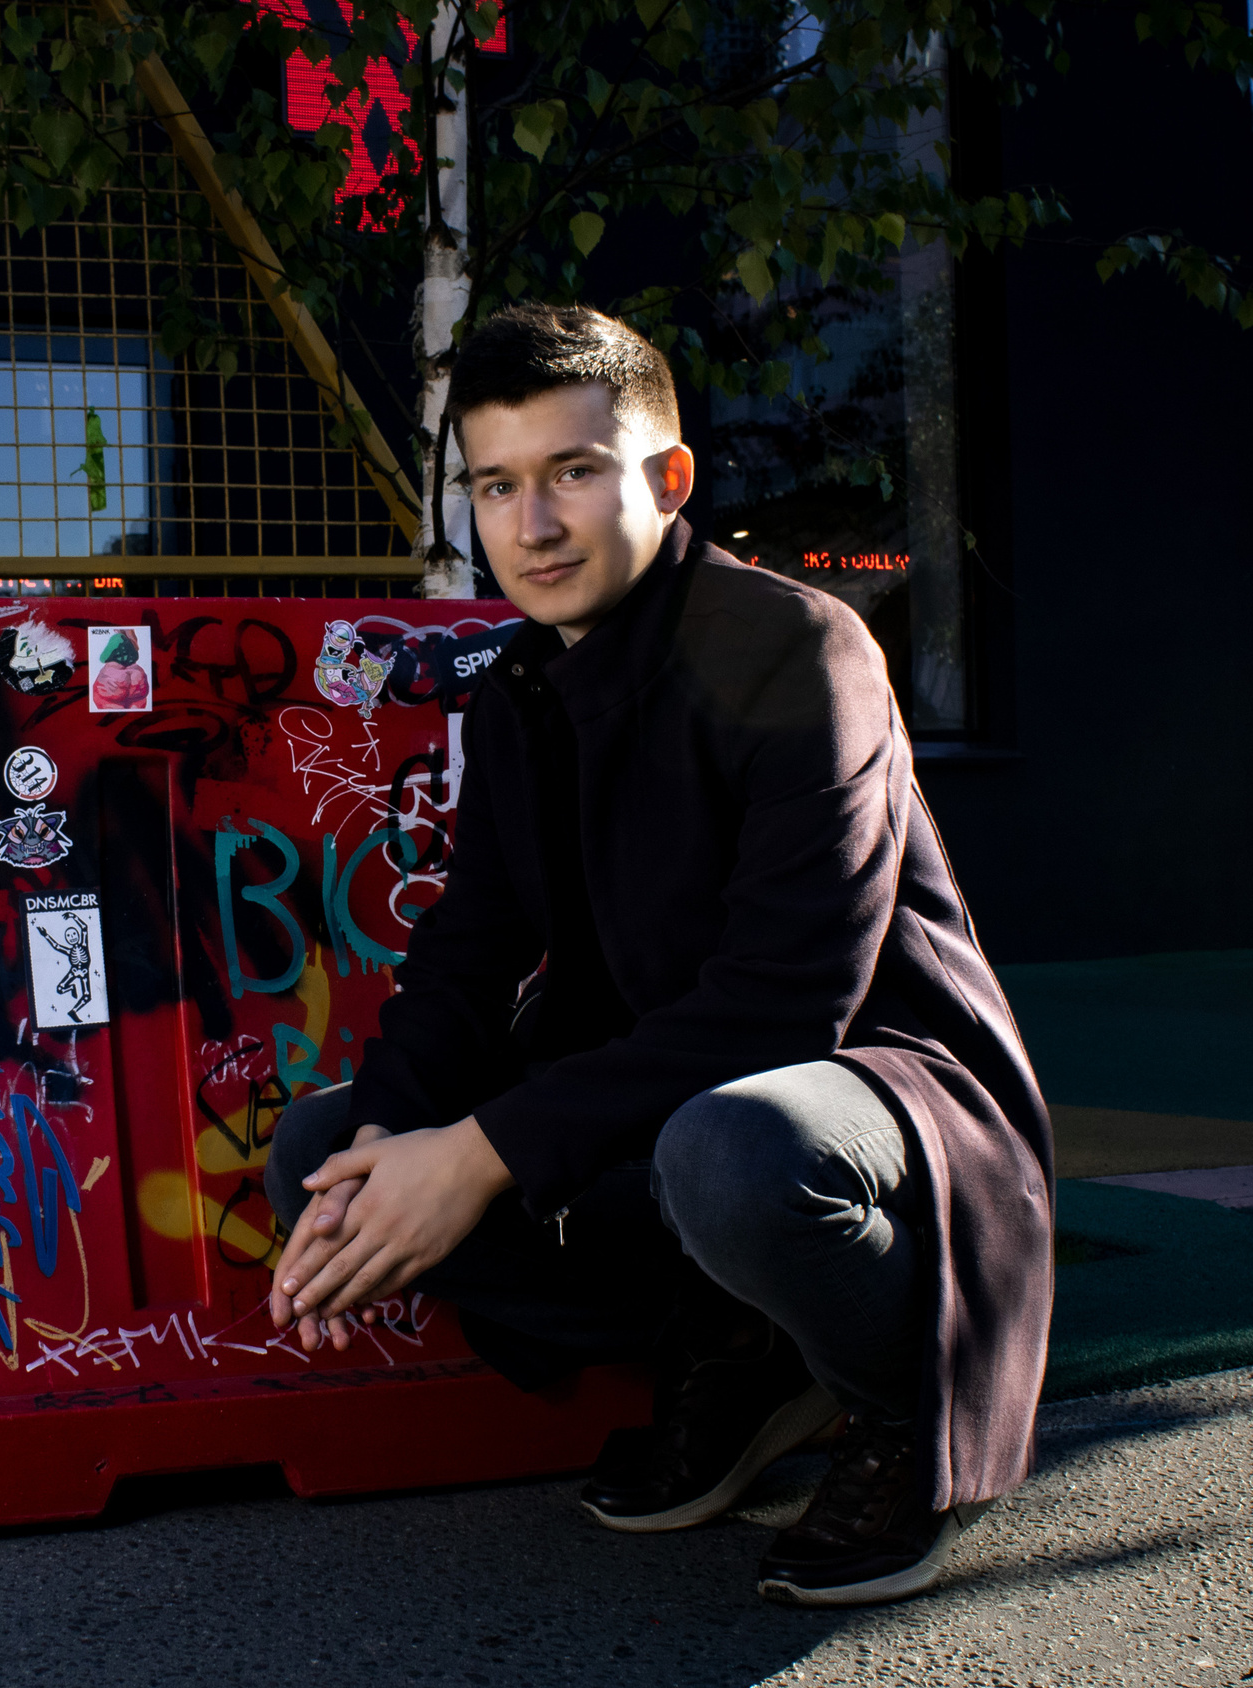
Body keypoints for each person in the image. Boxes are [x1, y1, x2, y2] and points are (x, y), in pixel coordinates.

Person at [265, 303, 1052, 1608]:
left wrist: (479, 1153)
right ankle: (735, 1342)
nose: (533, 525)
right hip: (661, 1100)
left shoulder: (799, 648)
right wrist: (387, 1145)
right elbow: (468, 955)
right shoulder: (520, 690)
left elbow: (785, 1002)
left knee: (730, 1149)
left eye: (572, 471)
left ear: (670, 478)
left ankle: (901, 1408)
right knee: (319, 1154)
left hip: (875, 1101)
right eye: (496, 485)